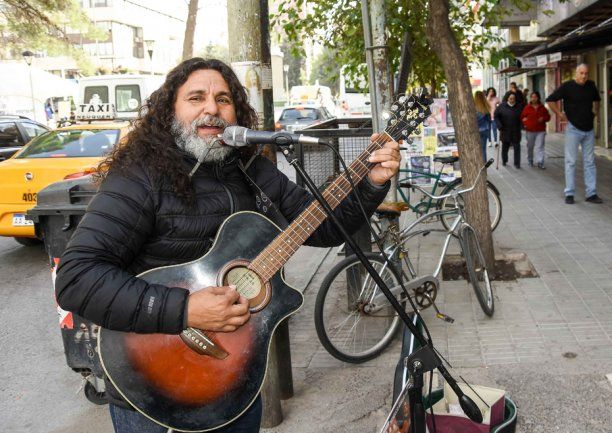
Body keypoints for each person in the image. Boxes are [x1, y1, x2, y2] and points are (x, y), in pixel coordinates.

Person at [54, 58, 399, 433]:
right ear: (170, 111)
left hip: (235, 381)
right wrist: (185, 310)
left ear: (237, 112)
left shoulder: (251, 169)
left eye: (223, 99)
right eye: (196, 98)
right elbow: (76, 279)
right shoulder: (140, 178)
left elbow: (321, 228)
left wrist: (371, 184)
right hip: (153, 383)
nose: (212, 109)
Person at [546, 63, 603, 205]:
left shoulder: (591, 85)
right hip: (573, 129)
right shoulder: (567, 86)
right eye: (581, 73)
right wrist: (559, 114)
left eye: (586, 73)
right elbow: (550, 100)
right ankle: (569, 193)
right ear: (576, 74)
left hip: (588, 129)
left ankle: (591, 193)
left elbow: (597, 100)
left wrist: (595, 112)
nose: (584, 76)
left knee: (590, 162)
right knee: (570, 161)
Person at [521, 91, 550, 169]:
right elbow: (522, 117)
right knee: (530, 146)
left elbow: (548, 117)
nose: (534, 98)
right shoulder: (527, 107)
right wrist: (525, 121)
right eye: (532, 97)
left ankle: (540, 162)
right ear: (530, 98)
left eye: (535, 97)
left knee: (539, 146)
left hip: (540, 130)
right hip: (530, 130)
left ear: (538, 98)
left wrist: (543, 118)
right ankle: (530, 159)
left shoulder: (542, 107)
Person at [495, 91, 525, 168]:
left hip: (516, 130)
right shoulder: (502, 106)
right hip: (505, 130)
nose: (512, 100)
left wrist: (523, 124)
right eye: (510, 98)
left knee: (517, 147)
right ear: (507, 98)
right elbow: (496, 116)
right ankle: (504, 160)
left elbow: (523, 117)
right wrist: (499, 125)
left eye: (513, 98)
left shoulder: (519, 107)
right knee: (505, 147)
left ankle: (517, 163)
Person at [474, 90, 492, 161]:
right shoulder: (486, 107)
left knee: (476, 150)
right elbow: (490, 120)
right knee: (483, 150)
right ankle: (484, 167)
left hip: (476, 131)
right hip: (485, 130)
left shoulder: (473, 107)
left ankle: (479, 166)